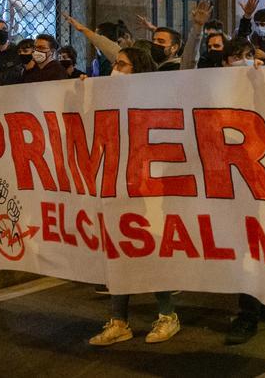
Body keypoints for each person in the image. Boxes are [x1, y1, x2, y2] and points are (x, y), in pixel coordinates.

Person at [87, 44, 182, 347]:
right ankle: (119, 321)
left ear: (139, 70)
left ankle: (168, 315)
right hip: (116, 183)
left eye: (124, 64)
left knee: (151, 248)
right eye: (116, 63)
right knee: (118, 250)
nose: (116, 68)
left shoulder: (156, 100)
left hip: (148, 186)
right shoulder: (105, 98)